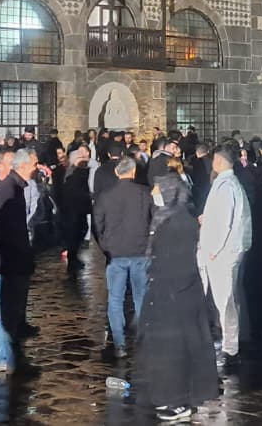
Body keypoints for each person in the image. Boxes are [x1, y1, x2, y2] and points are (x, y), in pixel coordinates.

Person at [135, 172, 219, 422]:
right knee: (165, 354)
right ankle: (168, 397)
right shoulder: (168, 218)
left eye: (158, 189)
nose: (154, 194)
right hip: (165, 297)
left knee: (176, 353)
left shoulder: (180, 223)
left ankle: (176, 400)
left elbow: (180, 265)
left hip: (176, 299)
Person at [0, 148, 38, 374]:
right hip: (7, 262)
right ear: (23, 166)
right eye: (34, 164)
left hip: (10, 260)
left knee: (10, 312)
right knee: (7, 313)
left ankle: (6, 359)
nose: (36, 168)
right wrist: (18, 256)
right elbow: (4, 229)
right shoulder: (8, 189)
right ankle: (1, 360)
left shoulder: (14, 188)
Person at [94, 156, 153, 357]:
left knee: (115, 299)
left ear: (117, 172)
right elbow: (154, 220)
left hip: (115, 253)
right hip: (140, 251)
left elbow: (98, 224)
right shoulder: (144, 193)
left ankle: (119, 344)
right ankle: (143, 339)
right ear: (133, 172)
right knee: (141, 297)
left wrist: (105, 247)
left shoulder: (106, 195)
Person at [198, 147, 251, 361]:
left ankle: (231, 347)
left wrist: (214, 248)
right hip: (228, 248)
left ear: (218, 161)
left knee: (225, 300)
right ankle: (231, 341)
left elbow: (224, 221)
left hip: (224, 251)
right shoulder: (229, 183)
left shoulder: (226, 185)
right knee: (228, 297)